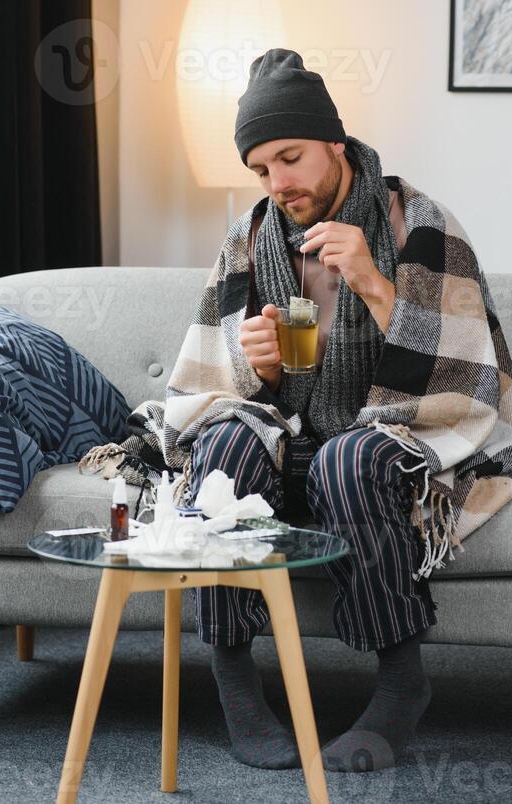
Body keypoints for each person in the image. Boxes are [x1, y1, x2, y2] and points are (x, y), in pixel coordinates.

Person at [187, 48, 437, 774]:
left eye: (290, 157)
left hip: (386, 435)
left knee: (349, 456)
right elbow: (207, 380)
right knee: (224, 455)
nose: (278, 183)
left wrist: (373, 282)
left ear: (335, 140)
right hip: (288, 436)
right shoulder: (255, 236)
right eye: (261, 169)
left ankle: (401, 685)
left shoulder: (414, 222)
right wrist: (252, 364)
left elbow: (466, 369)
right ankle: (236, 687)